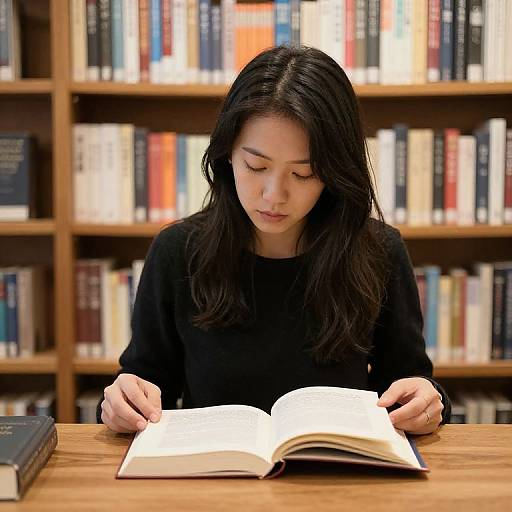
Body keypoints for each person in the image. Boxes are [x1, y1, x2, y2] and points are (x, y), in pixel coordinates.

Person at [98, 45, 451, 435]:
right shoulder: (178, 252)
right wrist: (121, 402)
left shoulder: (377, 252)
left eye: (303, 174)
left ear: (334, 173)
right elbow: (144, 384)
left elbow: (410, 386)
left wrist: (427, 399)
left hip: (339, 481)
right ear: (226, 154)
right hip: (210, 480)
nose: (273, 195)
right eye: (256, 166)